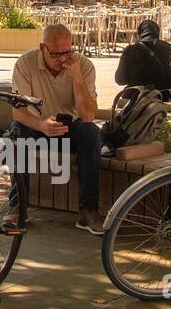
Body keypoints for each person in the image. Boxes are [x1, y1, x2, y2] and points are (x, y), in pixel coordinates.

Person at [11, 23, 102, 235]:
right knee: (16, 134)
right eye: (55, 54)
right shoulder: (25, 64)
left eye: (67, 52)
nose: (62, 59)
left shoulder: (84, 66)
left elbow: (88, 115)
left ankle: (88, 211)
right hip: (36, 125)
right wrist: (41, 125)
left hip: (69, 127)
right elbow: (19, 112)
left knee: (91, 133)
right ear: (43, 48)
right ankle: (18, 207)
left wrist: (77, 77)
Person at [114, 20, 171, 91]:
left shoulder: (130, 50)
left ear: (139, 34)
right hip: (162, 96)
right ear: (157, 34)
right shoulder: (166, 51)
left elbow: (120, 80)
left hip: (137, 96)